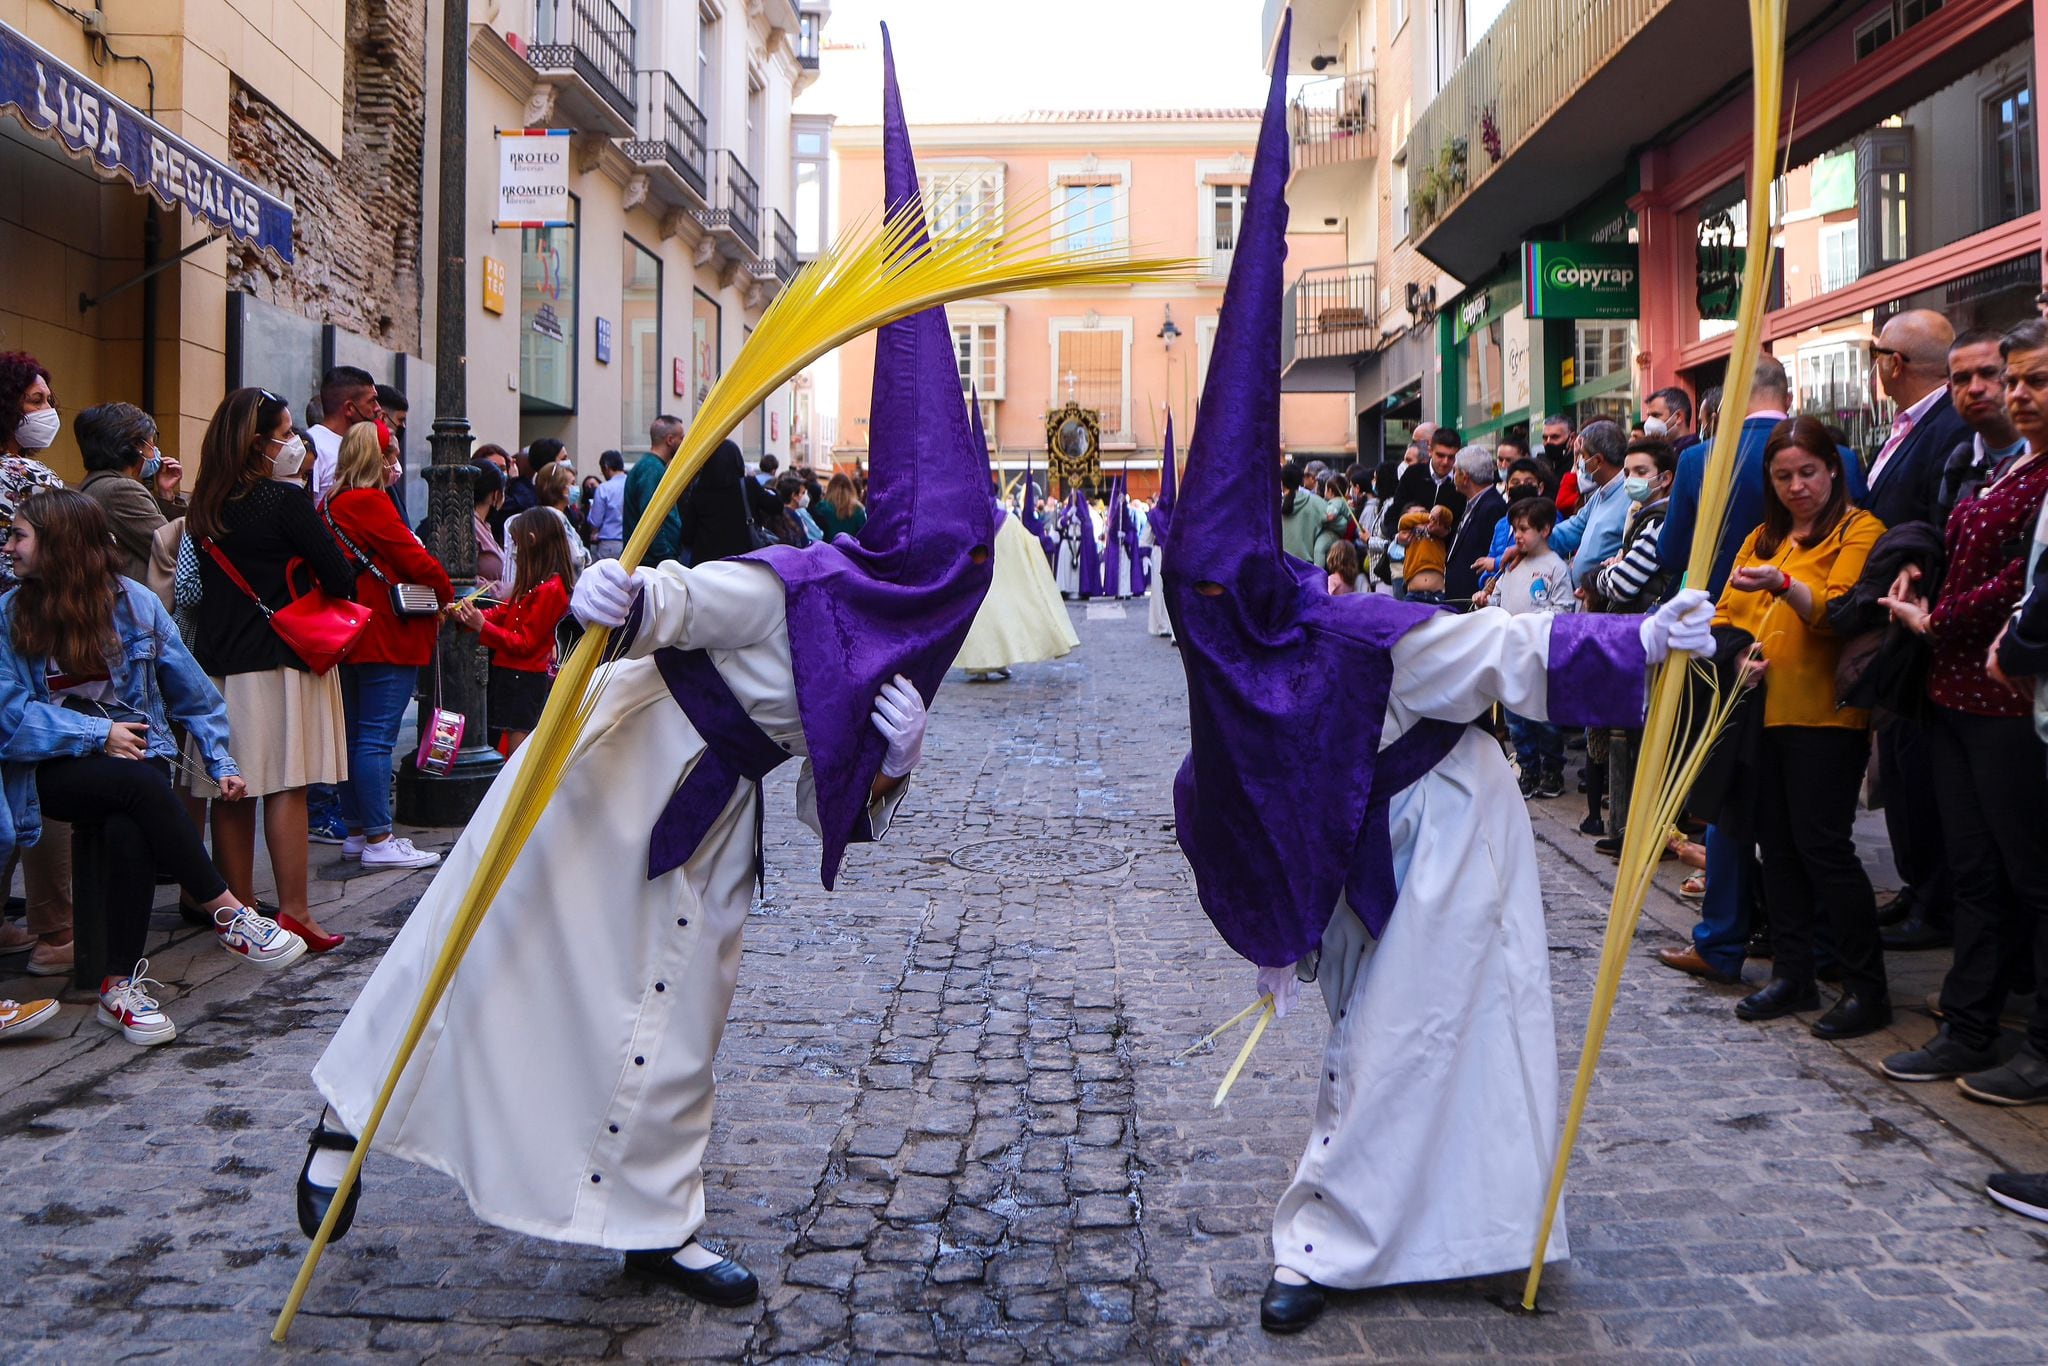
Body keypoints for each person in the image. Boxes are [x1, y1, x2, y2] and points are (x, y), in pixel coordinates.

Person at [297, 42, 990, 1307]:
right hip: (621, 765)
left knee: (677, 1022)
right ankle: (353, 1110)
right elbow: (693, 597)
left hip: (714, 816)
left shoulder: (906, 647)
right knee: (496, 931)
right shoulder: (813, 581)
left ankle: (650, 1217)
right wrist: (619, 597)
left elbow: (830, 793)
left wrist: (894, 762)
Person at [1158, 40, 1716, 1331]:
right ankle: (1360, 1231)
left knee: (1431, 1034)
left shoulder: (1359, 634)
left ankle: (1361, 1237)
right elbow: (1221, 794)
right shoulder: (1231, 676)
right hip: (1364, 849)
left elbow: (1504, 651)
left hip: (1453, 833)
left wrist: (1642, 641)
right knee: (1373, 1034)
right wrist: (1277, 916)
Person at [0, 490, 305, 1044]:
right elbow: (8, 721)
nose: (9, 547)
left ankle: (118, 989)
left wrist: (220, 758)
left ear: (61, 546)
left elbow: (194, 695)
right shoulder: (8, 614)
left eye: (19, 535)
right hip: (42, 772)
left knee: (132, 816)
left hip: (134, 770)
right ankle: (228, 911)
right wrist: (98, 733)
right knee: (140, 786)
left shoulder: (135, 604)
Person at [1877, 319, 2048, 1105]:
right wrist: (1915, 568)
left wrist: (1940, 619)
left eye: (2020, 380)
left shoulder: (2034, 477)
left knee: (2029, 878)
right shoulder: (1977, 468)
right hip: (1952, 693)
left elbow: (2021, 583)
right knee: (1976, 872)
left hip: (2008, 705)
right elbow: (1955, 545)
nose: (2002, 392)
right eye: (1986, 379)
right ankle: (1969, 1024)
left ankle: (2032, 1044)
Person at [1691, 418, 1888, 1038]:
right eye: (1784, 477)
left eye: (1808, 472)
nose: (1797, 486)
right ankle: (1794, 974)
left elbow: (1841, 610)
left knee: (1824, 848)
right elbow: (1722, 616)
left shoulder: (1861, 530)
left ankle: (1865, 987)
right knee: (1775, 848)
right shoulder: (1760, 537)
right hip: (1759, 715)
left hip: (1824, 715)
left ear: (1833, 468)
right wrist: (1737, 654)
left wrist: (1785, 585)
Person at [186, 388, 358, 949]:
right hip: (283, 660)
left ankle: (241, 917)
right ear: (257, 443)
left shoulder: (203, 506)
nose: (292, 444)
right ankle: (296, 912)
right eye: (284, 434)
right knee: (288, 785)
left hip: (218, 666)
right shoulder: (284, 502)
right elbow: (340, 576)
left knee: (230, 792)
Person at [322, 423, 453, 880]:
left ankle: (358, 832)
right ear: (375, 457)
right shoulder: (371, 502)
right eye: (391, 452)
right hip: (388, 633)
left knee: (355, 736)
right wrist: (443, 589)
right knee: (376, 738)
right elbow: (416, 561)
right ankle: (379, 838)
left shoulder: (331, 505)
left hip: (350, 633)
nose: (396, 462)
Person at [0, 353, 77, 978]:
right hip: (26, 642)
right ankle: (57, 930)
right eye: (33, 400)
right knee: (31, 777)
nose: (46, 412)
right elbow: (75, 552)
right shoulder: (29, 479)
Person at [1593, 438, 1678, 855]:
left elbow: (1624, 583)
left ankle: (1643, 832)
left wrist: (1603, 576)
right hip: (1633, 638)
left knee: (1643, 738)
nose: (1631, 480)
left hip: (1646, 639)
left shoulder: (1660, 521)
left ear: (1665, 478)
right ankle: (1628, 828)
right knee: (1627, 735)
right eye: (1627, 472)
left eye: (1640, 472)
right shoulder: (1641, 516)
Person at [453, 507, 578, 755]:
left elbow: (525, 644)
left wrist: (481, 625)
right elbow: (506, 613)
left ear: (532, 541)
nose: (515, 553)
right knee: (509, 740)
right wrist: (468, 615)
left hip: (524, 678)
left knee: (516, 746)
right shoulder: (537, 584)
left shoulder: (550, 589)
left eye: (518, 545)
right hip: (513, 675)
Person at [1476, 496, 1575, 798]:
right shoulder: (1512, 565)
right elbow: (1499, 597)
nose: (1517, 535)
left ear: (1545, 530)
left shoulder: (1555, 567)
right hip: (1510, 653)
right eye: (1515, 529)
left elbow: (1564, 608)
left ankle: (1551, 770)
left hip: (1539, 654)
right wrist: (1487, 601)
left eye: (1524, 529)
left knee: (1543, 715)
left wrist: (1536, 623)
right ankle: (1527, 766)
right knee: (1515, 717)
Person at [75, 403, 186, 582]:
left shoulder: (93, 485)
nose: (155, 450)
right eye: (152, 440)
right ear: (137, 445)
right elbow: (174, 549)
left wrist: (165, 495)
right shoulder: (122, 491)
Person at [681, 440, 781, 563]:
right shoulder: (748, 485)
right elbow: (776, 506)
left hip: (706, 566)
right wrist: (773, 490)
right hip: (740, 562)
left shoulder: (699, 490)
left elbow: (687, 534)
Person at [505, 461, 591, 590]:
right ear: (560, 487)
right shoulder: (558, 519)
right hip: (559, 590)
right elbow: (576, 558)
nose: (576, 488)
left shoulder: (530, 518)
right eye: (572, 483)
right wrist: (586, 556)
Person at [308, 366, 383, 506]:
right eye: (372, 401)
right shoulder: (314, 446)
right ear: (349, 408)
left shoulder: (360, 445)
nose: (378, 408)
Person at [1442, 443, 1506, 602]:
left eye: (1455, 471)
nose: (1452, 475)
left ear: (1465, 477)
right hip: (1461, 597)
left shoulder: (1492, 507)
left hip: (1475, 599)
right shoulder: (1473, 503)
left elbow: (1491, 552)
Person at [624, 416, 687, 563]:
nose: (684, 443)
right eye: (681, 438)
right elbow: (651, 517)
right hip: (653, 563)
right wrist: (665, 556)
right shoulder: (651, 469)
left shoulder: (651, 467)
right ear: (670, 440)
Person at [467, 457, 508, 598]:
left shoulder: (483, 525)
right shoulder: (470, 524)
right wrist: (503, 589)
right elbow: (465, 582)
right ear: (495, 494)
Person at [1394, 504, 1452, 602]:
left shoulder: (1439, 532)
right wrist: (1429, 517)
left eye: (1424, 512)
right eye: (1415, 515)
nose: (1420, 516)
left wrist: (1436, 516)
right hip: (1413, 594)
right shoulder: (1408, 534)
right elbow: (1403, 521)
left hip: (1437, 594)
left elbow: (1447, 516)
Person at [1278, 462, 1324, 565]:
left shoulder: (1274, 506)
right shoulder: (1316, 502)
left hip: (1282, 566)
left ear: (1282, 481)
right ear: (1301, 480)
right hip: (1308, 567)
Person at [588, 451, 627, 559]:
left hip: (609, 543)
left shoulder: (604, 488)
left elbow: (596, 521)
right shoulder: (632, 484)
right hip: (631, 542)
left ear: (606, 467)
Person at [815, 471, 867, 541]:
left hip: (827, 550)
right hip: (851, 550)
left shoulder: (821, 507)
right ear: (851, 488)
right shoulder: (858, 510)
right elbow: (864, 536)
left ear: (830, 488)